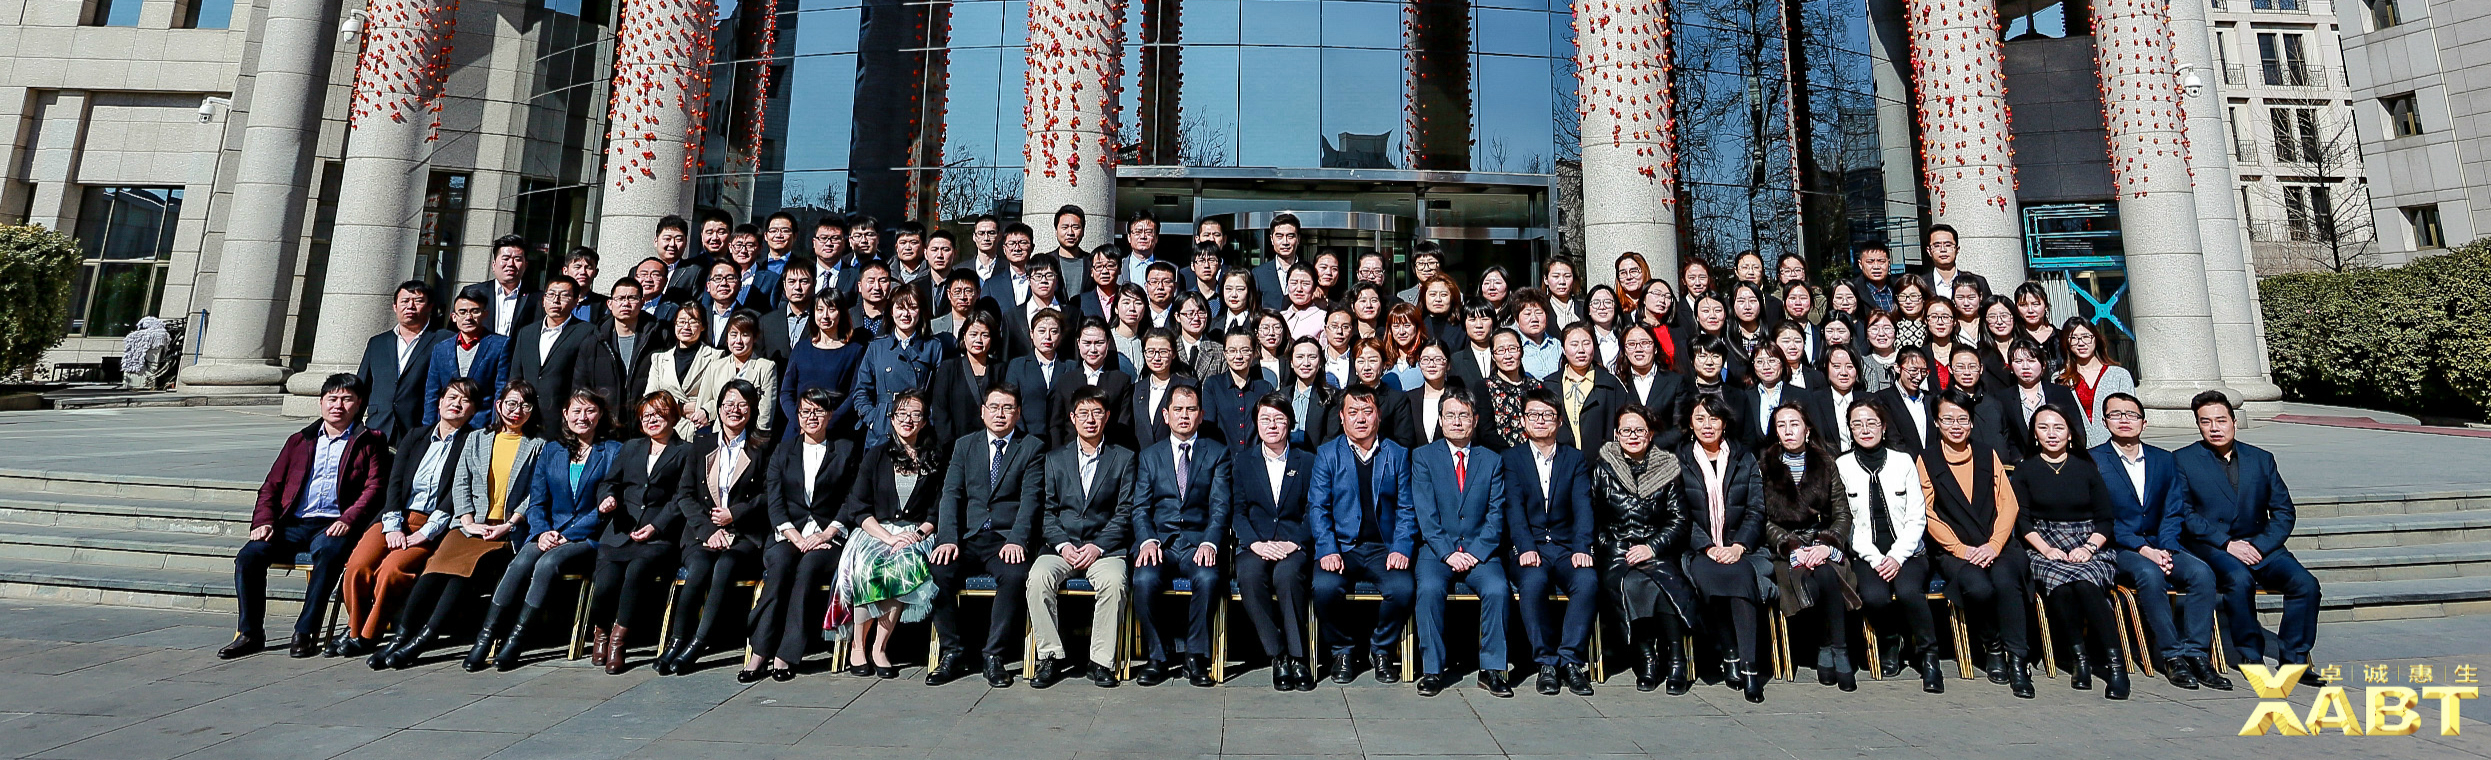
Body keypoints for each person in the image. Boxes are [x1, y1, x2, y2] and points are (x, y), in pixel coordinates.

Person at [223, 374, 392, 660]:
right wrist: (263, 521)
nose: (338, 405)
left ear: (359, 404)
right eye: (332, 399)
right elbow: (271, 486)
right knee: (249, 556)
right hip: (294, 523)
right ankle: (250, 633)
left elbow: (375, 488)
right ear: (321, 402)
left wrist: (349, 519)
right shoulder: (300, 440)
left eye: (347, 399)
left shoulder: (370, 441)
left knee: (328, 553)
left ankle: (305, 631)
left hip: (336, 524)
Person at [2176, 391, 2324, 685]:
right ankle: (2250, 655)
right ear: (2198, 425)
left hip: (2260, 543)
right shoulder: (2182, 460)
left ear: (2234, 422)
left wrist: (2259, 545)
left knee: (2306, 585)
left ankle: (2294, 660)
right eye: (2206, 422)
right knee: (2239, 579)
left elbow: (2284, 512)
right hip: (2214, 544)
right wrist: (2227, 544)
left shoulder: (2261, 459)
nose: (2215, 428)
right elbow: (2185, 513)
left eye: (2221, 420)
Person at [2091, 393, 2227, 690]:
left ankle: (2197, 654)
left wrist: (2165, 547)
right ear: (2104, 421)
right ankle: (2172, 655)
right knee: (2149, 574)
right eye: (2116, 414)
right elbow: (2102, 517)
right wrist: (2145, 550)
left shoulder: (2164, 459)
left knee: (2201, 573)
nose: (2124, 420)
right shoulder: (2093, 461)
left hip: (2162, 542)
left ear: (2144, 422)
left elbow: (2173, 509)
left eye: (2131, 414)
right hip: (2119, 546)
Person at [476, 390, 618, 671]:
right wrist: (541, 532)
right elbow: (537, 501)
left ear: (600, 414)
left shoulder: (613, 451)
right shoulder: (552, 450)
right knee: (521, 561)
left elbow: (606, 506)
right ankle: (485, 638)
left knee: (547, 564)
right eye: (576, 411)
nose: (583, 417)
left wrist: (569, 534)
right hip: (549, 532)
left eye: (590, 411)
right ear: (565, 414)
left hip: (588, 536)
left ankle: (516, 641)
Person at [408, 383, 544, 672]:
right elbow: (461, 481)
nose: (517, 411)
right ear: (498, 405)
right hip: (470, 525)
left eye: (525, 405)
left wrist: (509, 524)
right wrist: (468, 520)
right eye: (511, 403)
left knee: (463, 573)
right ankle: (402, 636)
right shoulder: (478, 438)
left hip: (504, 531)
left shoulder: (538, 446)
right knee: (434, 569)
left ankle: (425, 638)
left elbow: (535, 492)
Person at [339, 379, 477, 662]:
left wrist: (426, 532)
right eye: (451, 397)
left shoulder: (472, 443)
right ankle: (354, 630)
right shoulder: (416, 436)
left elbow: (457, 492)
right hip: (395, 516)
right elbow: (395, 482)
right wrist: (392, 525)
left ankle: (369, 635)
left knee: (392, 570)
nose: (456, 404)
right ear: (440, 402)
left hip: (432, 524)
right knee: (357, 566)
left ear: (473, 410)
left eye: (464, 400)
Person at [928, 384, 1047, 688]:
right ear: (983, 412)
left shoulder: (1031, 447)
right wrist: (947, 538)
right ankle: (952, 652)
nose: (1000, 414)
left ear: (1018, 413)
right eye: (994, 407)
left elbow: (1031, 499)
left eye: (1008, 408)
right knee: (937, 571)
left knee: (1016, 575)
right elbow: (951, 494)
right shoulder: (964, 445)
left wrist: (1017, 539)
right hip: (968, 537)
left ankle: (994, 655)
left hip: (1005, 538)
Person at [1919, 389, 2036, 698]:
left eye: (1962, 419)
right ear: (1937, 423)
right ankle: (1992, 644)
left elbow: (2008, 504)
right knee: (1978, 587)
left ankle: (2018, 660)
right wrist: (1961, 549)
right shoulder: (1927, 459)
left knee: (2006, 579)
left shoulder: (1987, 453)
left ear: (1971, 422)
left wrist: (1994, 545)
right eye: (1948, 419)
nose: (1956, 426)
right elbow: (1927, 513)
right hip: (1955, 550)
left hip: (1997, 544)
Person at [2010, 405, 2130, 699]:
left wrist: (2089, 548)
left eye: (2058, 427)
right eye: (2043, 427)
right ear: (2034, 434)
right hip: (2044, 542)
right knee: (2061, 588)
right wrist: (2047, 549)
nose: (2051, 434)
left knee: (2087, 585)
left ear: (2070, 434)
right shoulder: (2025, 469)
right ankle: (2080, 660)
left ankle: (2116, 667)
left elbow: (2105, 518)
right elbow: (2022, 521)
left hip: (2089, 541)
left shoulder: (2086, 468)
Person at [655, 380, 772, 676]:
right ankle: (677, 640)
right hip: (702, 533)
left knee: (725, 566)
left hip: (744, 534)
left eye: (742, 404)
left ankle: (699, 641)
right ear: (718, 409)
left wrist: (735, 514)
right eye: (728, 404)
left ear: (752, 410)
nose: (735, 410)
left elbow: (769, 495)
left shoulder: (763, 447)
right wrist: (708, 530)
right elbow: (684, 495)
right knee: (698, 569)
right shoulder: (702, 444)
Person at [1400, 390, 1511, 698]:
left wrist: (1475, 552)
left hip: (1479, 549)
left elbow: (1495, 516)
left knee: (1497, 589)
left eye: (1464, 415)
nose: (1457, 422)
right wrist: (1448, 552)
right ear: (1440, 420)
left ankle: (1492, 670)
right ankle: (1433, 670)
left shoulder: (1492, 460)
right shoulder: (1423, 457)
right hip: (1437, 550)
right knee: (1428, 589)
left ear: (1475, 420)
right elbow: (1425, 514)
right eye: (1450, 415)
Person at [743, 389, 858, 682]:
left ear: (829, 415)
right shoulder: (782, 451)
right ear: (797, 416)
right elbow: (775, 501)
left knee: (807, 571)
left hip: (828, 536)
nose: (812, 417)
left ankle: (786, 654)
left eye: (818, 411)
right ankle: (760, 652)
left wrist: (828, 532)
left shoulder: (845, 449)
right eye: (805, 411)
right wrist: (796, 537)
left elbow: (852, 499)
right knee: (780, 567)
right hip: (788, 533)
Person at [1026, 388, 1137, 689]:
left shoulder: (1124, 458)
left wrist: (1098, 546)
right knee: (1037, 578)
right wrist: (1063, 544)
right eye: (1084, 414)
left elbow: (1126, 510)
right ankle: (1050, 656)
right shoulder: (1054, 459)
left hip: (1105, 548)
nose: (1090, 420)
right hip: (1061, 547)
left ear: (1107, 417)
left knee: (1114, 582)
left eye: (1097, 413)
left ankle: (1101, 661)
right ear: (1072, 418)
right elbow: (1046, 512)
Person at [1307, 386, 1417, 685]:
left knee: (1403, 588)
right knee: (1325, 588)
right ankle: (1341, 651)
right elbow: (1318, 508)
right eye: (1353, 412)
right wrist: (1328, 549)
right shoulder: (1328, 454)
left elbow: (1407, 508)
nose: (1361, 419)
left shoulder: (1396, 454)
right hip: (1342, 547)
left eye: (1367, 411)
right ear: (1342, 417)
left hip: (1383, 547)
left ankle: (1381, 649)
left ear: (1378, 415)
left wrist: (1401, 547)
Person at [834, 390, 944, 679]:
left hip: (916, 533)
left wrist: (917, 534)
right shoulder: (875, 456)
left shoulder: (934, 459)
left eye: (916, 414)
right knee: (866, 565)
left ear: (924, 421)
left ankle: (879, 647)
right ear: (892, 419)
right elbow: (859, 508)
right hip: (875, 530)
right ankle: (858, 646)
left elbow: (938, 509)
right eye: (902, 414)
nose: (908, 420)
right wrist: (888, 537)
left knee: (903, 564)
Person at [1837, 400, 1944, 693]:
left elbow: (1917, 516)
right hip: (1867, 554)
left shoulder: (1903, 461)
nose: (1865, 429)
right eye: (1857, 424)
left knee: (1909, 592)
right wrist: (1875, 558)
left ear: (1883, 427)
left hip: (1908, 553)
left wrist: (1897, 556)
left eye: (1871, 423)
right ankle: (1889, 640)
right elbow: (1846, 522)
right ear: (1850, 430)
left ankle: (1929, 656)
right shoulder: (1842, 466)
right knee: (1874, 597)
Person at [1129, 385, 1231, 687]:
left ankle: (1195, 657)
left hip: (1198, 542)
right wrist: (1147, 540)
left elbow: (1221, 506)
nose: (1184, 416)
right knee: (1143, 580)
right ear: (1166, 414)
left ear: (1201, 415)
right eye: (1178, 410)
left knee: (1208, 578)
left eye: (1191, 410)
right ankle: (1158, 657)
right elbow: (1140, 507)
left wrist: (1210, 542)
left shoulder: (1217, 453)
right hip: (1160, 542)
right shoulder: (1150, 456)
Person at [585, 393, 692, 675]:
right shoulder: (631, 447)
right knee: (605, 583)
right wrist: (607, 499)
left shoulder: (686, 452)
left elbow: (682, 497)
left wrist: (656, 526)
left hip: (658, 536)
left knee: (636, 573)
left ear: (672, 416)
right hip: (620, 531)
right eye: (646, 416)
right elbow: (610, 482)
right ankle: (601, 632)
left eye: (658, 414)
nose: (651, 420)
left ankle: (619, 641)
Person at [1758, 402, 1859, 691]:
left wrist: (1826, 544)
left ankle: (1835, 648)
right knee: (1810, 583)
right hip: (1786, 547)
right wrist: (1791, 547)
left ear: (1807, 429)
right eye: (1781, 425)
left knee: (1827, 572)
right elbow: (1762, 518)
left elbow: (1842, 512)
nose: (1788, 431)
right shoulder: (1764, 466)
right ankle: (1827, 644)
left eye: (1794, 424)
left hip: (1820, 541)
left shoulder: (1826, 463)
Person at [1503, 389, 1598, 695]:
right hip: (1529, 546)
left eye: (1547, 415)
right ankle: (1546, 662)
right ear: (1523, 421)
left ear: (1559, 422)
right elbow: (1513, 509)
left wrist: (1582, 547)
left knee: (1587, 581)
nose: (1540, 420)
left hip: (1566, 546)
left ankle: (1571, 661)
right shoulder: (1512, 459)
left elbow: (1583, 507)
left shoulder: (1574, 458)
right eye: (1533, 415)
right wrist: (1525, 546)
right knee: (1532, 582)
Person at [1678, 395, 1768, 703]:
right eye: (1700, 418)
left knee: (1741, 578)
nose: (1707, 425)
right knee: (1710, 577)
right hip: (1699, 549)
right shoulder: (1680, 460)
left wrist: (1739, 546)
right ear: (1690, 423)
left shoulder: (1745, 458)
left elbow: (1756, 509)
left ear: (1725, 423)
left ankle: (1750, 669)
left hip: (1740, 547)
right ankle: (1729, 654)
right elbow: (1681, 515)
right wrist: (1707, 546)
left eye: (1714, 418)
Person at [1233, 393, 1319, 691]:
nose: (1272, 425)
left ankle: (1299, 657)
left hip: (1293, 545)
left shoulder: (1306, 461)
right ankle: (1278, 653)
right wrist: (1254, 543)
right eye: (1265, 419)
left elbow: (1314, 509)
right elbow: (1237, 511)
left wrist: (1295, 542)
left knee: (1287, 576)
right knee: (1249, 576)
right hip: (1256, 544)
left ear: (1290, 424)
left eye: (1279, 419)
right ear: (1256, 424)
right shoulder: (1243, 462)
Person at [852, 287, 944, 448]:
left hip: (918, 428)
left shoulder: (932, 347)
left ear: (921, 311)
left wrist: (927, 420)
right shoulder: (877, 347)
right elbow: (861, 391)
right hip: (883, 428)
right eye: (900, 308)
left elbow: (940, 395)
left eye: (912, 307)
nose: (906, 314)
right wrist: (874, 420)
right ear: (891, 311)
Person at [358, 281, 446, 442]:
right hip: (378, 426)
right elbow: (361, 388)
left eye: (418, 301)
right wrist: (353, 427)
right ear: (395, 306)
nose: (410, 306)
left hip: (419, 428)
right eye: (404, 301)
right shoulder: (377, 343)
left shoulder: (443, 340)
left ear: (430, 306)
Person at [573, 280, 665, 426]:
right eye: (620, 298)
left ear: (642, 303)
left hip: (647, 422)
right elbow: (581, 387)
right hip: (604, 424)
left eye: (632, 298)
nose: (626, 303)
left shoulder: (659, 338)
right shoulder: (593, 342)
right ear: (610, 304)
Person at [776, 296, 867, 439]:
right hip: (799, 430)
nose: (825, 316)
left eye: (831, 310)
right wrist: (799, 421)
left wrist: (828, 422)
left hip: (836, 431)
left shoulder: (854, 350)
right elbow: (786, 392)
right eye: (820, 310)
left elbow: (854, 394)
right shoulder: (801, 348)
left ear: (841, 313)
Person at [425, 294, 511, 429]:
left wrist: (496, 425)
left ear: (485, 314)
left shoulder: (500, 345)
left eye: (475, 311)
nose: (468, 317)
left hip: (482, 425)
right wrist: (428, 428)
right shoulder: (441, 348)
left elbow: (501, 390)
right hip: (445, 425)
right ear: (454, 317)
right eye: (462, 312)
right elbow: (432, 393)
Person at [509, 275, 593, 412]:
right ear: (543, 300)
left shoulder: (587, 332)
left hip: (563, 413)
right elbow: (516, 375)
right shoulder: (526, 332)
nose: (556, 300)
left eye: (564, 296)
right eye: (551, 295)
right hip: (526, 412)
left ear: (575, 301)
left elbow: (585, 379)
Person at [1050, 319, 1136, 448]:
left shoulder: (1121, 380)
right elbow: (1057, 425)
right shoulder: (1065, 380)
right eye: (1087, 343)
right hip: (1071, 451)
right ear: (1078, 343)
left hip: (1110, 450)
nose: (1093, 349)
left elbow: (1124, 423)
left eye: (1099, 343)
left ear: (1108, 343)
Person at [1996, 338, 2084, 464]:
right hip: (2024, 465)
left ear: (2043, 365)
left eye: (2031, 361)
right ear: (2010, 366)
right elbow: (2007, 438)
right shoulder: (2003, 399)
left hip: (2062, 461)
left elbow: (2076, 429)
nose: (2025, 367)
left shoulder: (2061, 393)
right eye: (2018, 361)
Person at [926, 311, 1005, 447]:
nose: (978, 340)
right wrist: (949, 444)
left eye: (985, 335)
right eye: (973, 334)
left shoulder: (1001, 369)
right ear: (964, 335)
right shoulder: (949, 368)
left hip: (992, 444)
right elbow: (940, 410)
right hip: (955, 445)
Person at [1548, 323, 1630, 454]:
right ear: (1563, 349)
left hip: (1601, 460)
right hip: (1560, 459)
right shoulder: (1550, 385)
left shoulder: (1609, 384)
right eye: (1574, 344)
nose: (1581, 350)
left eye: (1586, 343)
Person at [646, 306, 725, 439]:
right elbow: (650, 397)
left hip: (701, 428)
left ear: (703, 326)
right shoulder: (659, 359)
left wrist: (706, 411)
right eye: (681, 322)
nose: (686, 327)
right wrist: (680, 407)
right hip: (667, 429)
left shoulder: (716, 357)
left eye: (693, 322)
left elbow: (722, 396)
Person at [2058, 318, 2136, 445]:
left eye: (2086, 337)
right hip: (2077, 449)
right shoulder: (2060, 378)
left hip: (2115, 446)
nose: (2081, 343)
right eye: (2074, 338)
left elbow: (2130, 413)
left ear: (2095, 338)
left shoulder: (2119, 375)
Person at [1005, 309, 1080, 440]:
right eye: (1041, 331)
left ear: (1061, 335)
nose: (1047, 337)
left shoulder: (1070, 366)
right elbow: (1011, 402)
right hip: (1025, 439)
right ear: (1032, 334)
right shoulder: (1017, 366)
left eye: (1054, 331)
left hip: (1062, 441)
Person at [701, 314, 781, 434]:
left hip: (751, 435)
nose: (738, 340)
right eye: (733, 334)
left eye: (745, 335)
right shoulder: (715, 367)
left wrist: (759, 437)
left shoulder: (766, 367)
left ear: (754, 337)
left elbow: (766, 409)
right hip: (720, 433)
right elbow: (706, 402)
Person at [1204, 330, 1273, 449]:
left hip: (1255, 456)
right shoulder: (1213, 384)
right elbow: (1208, 426)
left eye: (1245, 350)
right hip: (1222, 457)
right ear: (1224, 354)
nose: (1238, 356)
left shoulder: (1265, 388)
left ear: (1254, 353)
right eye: (1232, 351)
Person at [1129, 329, 1198, 450]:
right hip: (1142, 458)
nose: (1157, 358)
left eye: (1163, 352)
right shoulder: (1136, 389)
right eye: (1150, 351)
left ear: (1174, 354)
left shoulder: (1189, 386)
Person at [460, 235, 540, 336]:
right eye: (505, 258)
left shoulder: (537, 298)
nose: (510, 264)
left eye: (517, 259)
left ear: (525, 265)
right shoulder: (473, 293)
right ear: (494, 265)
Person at [1276, 337, 1338, 450]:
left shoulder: (1331, 397)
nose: (1306, 363)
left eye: (1312, 357)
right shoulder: (1281, 396)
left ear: (1320, 362)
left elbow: (1331, 437)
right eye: (1300, 357)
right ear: (1291, 362)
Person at [1396, 341, 1458, 446]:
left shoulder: (1458, 398)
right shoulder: (1408, 399)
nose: (1431, 365)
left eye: (1438, 359)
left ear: (1448, 365)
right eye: (1425, 359)